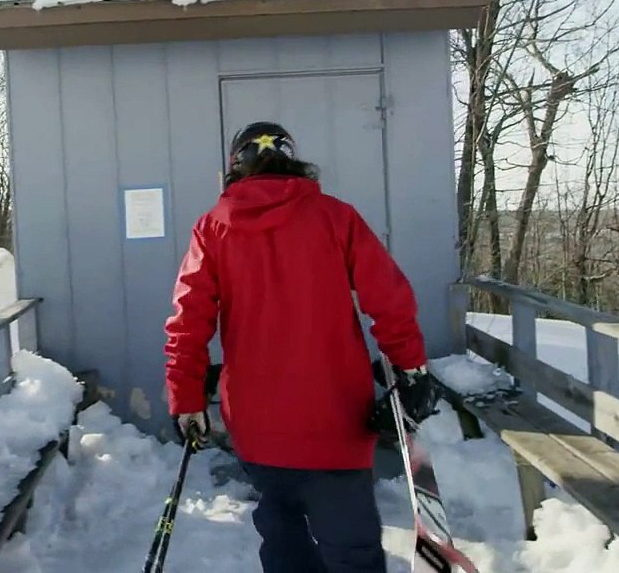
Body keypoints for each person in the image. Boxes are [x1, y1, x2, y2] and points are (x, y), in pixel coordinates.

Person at [163, 121, 441, 573]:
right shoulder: (336, 216)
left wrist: (186, 399)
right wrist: (412, 368)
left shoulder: (212, 228)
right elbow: (389, 300)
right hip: (336, 420)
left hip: (258, 425)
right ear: (291, 160)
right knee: (351, 551)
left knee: (284, 542)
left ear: (236, 166)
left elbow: (187, 323)